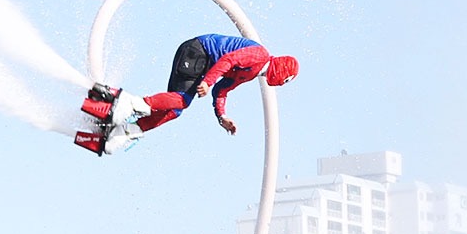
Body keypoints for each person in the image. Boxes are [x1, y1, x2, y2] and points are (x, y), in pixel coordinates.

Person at [78, 34, 300, 153]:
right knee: (182, 101)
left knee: (174, 109)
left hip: (204, 65)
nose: (281, 84)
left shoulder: (252, 73)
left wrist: (221, 117)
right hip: (197, 51)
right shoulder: (259, 55)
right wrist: (208, 82)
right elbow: (228, 60)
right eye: (285, 80)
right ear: (282, 72)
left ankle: (129, 129)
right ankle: (128, 103)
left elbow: (222, 90)